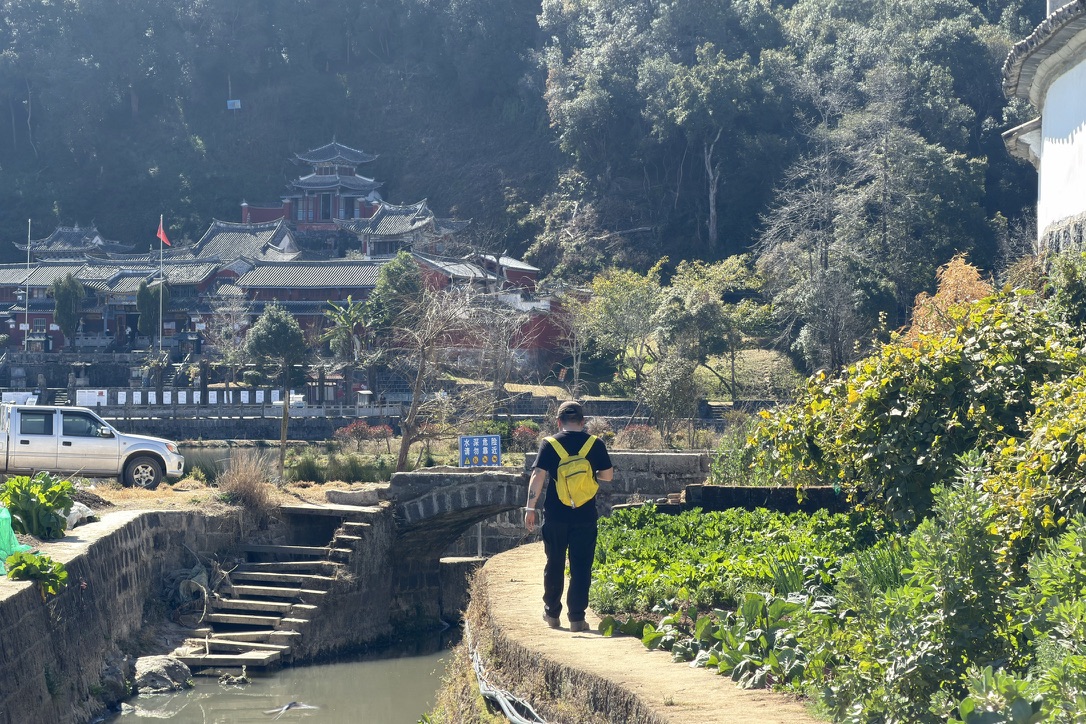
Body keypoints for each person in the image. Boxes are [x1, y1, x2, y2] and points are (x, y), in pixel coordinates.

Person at [524, 400, 613, 632]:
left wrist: (530, 508)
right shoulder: (595, 443)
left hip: (556, 515)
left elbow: (538, 476)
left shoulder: (550, 444)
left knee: (554, 563)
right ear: (583, 422)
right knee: (581, 567)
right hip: (585, 516)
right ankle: (577, 618)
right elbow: (607, 476)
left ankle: (552, 614)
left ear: (558, 422)